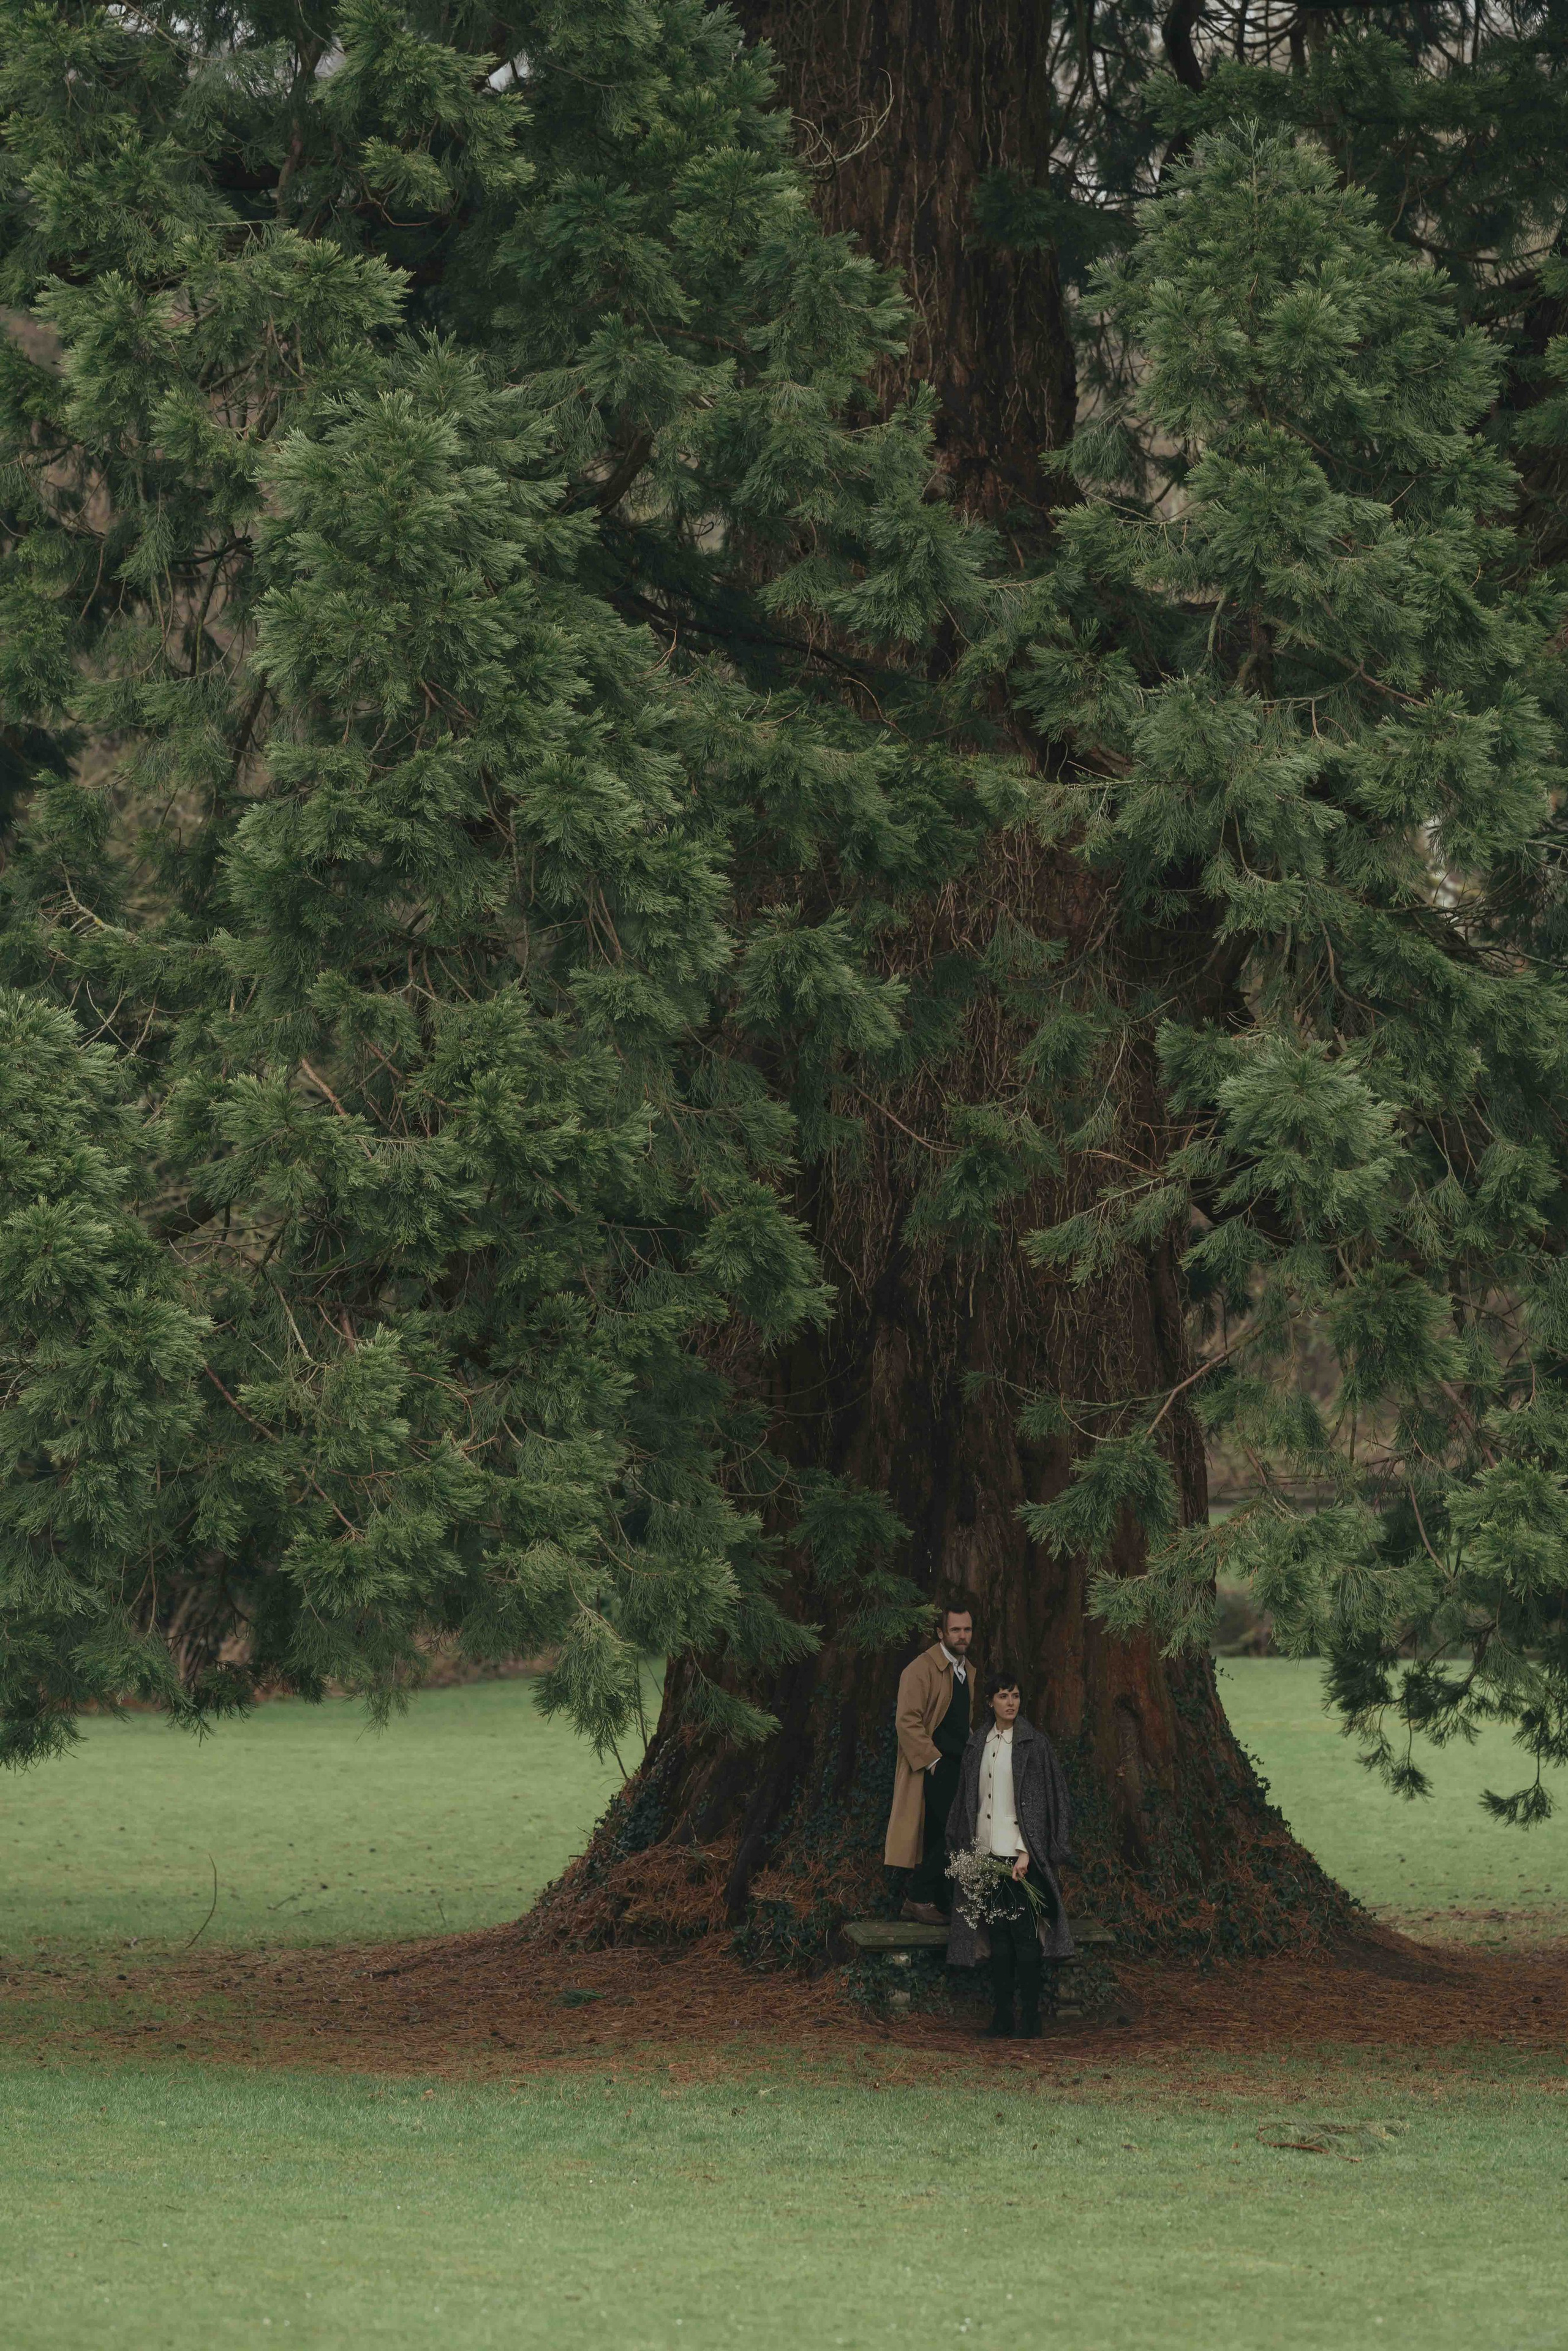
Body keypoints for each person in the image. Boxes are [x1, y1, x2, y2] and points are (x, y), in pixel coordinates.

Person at [944, 1669, 1075, 2037]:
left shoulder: (1033, 1744)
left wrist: (1025, 1852)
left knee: (1025, 1937)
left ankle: (1031, 2019)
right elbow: (968, 1800)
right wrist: (969, 1851)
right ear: (990, 1702)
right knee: (998, 1939)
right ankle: (1002, 2018)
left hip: (1019, 1859)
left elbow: (1041, 1803)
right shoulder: (978, 1745)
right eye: (1003, 1696)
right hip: (986, 1855)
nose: (1011, 1702)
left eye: (1015, 1695)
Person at [883, 1606, 974, 1925]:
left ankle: (938, 1900)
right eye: (955, 1630)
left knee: (942, 1834)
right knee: (956, 1832)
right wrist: (934, 1762)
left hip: (960, 1765)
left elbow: (964, 1723)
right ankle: (917, 1898)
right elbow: (906, 1722)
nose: (962, 1636)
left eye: (967, 1630)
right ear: (940, 1633)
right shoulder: (919, 1670)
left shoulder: (968, 1671)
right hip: (933, 1766)